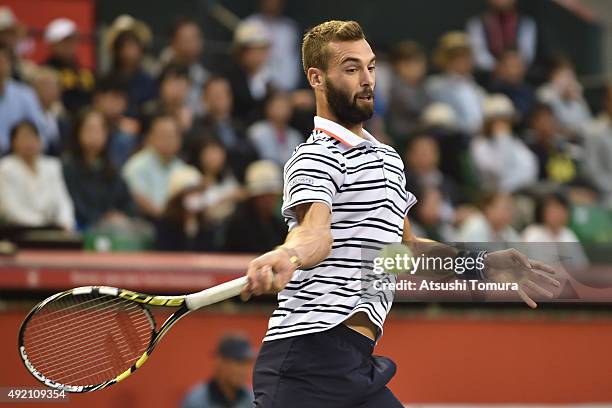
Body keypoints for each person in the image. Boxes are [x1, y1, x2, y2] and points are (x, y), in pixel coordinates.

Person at [242, 20, 558, 408]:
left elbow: (403, 253)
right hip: (305, 360)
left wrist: (482, 265)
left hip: (354, 363)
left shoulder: (387, 159)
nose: (367, 79)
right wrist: (289, 255)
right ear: (316, 78)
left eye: (371, 67)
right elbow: (314, 233)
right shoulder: (314, 157)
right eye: (351, 68)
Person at [62, 110, 135, 230]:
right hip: (83, 227)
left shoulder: (112, 168)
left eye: (99, 130)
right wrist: (101, 218)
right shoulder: (68, 167)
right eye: (89, 129)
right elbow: (74, 204)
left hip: (114, 227)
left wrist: (122, 216)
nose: (94, 135)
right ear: (78, 132)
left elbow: (127, 202)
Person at [0, 121, 74, 230]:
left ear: (39, 140)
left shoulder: (52, 166)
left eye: (32, 137)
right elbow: (8, 208)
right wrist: (41, 224)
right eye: (23, 138)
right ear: (13, 142)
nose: (29, 143)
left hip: (54, 228)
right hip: (20, 230)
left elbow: (63, 201)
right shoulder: (6, 167)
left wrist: (65, 222)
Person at [186, 75, 257, 182]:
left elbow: (252, 153)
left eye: (225, 93)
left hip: (242, 179)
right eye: (215, 94)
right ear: (204, 98)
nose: (221, 97)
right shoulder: (197, 127)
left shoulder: (240, 125)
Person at [122, 115, 186, 219]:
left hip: (175, 223)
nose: (167, 141)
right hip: (144, 221)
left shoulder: (182, 168)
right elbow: (138, 198)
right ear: (150, 137)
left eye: (171, 136)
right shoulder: (136, 165)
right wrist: (164, 216)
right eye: (163, 135)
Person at [470, 94, 538, 192]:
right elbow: (498, 171)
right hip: (493, 195)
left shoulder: (514, 141)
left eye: (505, 120)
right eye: (497, 121)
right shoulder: (479, 145)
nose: (502, 125)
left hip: (520, 192)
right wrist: (501, 138)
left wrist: (504, 138)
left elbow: (531, 166)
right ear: (488, 122)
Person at [426, 31, 486, 135]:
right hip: (456, 139)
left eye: (466, 56)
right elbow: (445, 119)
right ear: (445, 59)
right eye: (456, 57)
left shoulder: (477, 88)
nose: (463, 61)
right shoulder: (435, 86)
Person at [222, 160, 286, 253]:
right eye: (264, 196)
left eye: (271, 195)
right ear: (253, 197)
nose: (269, 200)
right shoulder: (237, 226)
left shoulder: (278, 226)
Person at [103, 15, 157, 119]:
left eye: (133, 45)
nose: (129, 51)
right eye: (124, 45)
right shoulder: (107, 80)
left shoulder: (148, 81)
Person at [181, 334, 255, 408]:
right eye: (239, 362)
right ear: (219, 361)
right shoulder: (196, 402)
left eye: (248, 363)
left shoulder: (253, 399)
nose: (245, 371)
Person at [155, 165, 217, 252]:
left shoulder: (207, 224)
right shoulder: (166, 223)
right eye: (190, 192)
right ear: (178, 197)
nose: (195, 195)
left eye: (198, 191)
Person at [521, 192, 589, 271]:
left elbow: (582, 265)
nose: (558, 213)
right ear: (542, 211)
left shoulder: (568, 234)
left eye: (562, 209)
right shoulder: (532, 234)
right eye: (553, 209)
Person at [245, 0, 301, 91]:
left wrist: (286, 93)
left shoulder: (289, 28)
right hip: (255, 92)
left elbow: (291, 64)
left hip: (285, 92)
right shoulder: (250, 24)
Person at [466, 0, 537, 72]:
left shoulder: (525, 22)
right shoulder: (477, 22)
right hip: (487, 74)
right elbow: (479, 54)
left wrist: (513, 65)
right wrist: (499, 68)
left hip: (519, 72)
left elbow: (526, 53)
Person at [223, 20, 273, 124]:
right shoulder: (229, 77)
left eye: (263, 49)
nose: (261, 55)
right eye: (256, 49)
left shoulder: (267, 77)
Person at [0, 43, 46, 154]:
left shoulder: (25, 94)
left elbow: (39, 129)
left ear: (9, 64)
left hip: (19, 155)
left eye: (2, 62)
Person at [43, 18, 94, 113]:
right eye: (65, 41)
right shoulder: (44, 72)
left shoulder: (83, 71)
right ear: (52, 44)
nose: (70, 45)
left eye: (73, 40)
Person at [189, 137, 243, 224]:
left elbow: (240, 194)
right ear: (200, 154)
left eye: (218, 152)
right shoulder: (192, 176)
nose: (215, 157)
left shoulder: (228, 175)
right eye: (210, 153)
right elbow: (196, 209)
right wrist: (225, 199)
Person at [159, 18, 208, 114]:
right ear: (173, 42)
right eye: (186, 39)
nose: (193, 43)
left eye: (196, 37)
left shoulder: (203, 75)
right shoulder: (161, 69)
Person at [536, 57, 592, 138]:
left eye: (571, 76)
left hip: (582, 136)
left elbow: (588, 121)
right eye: (564, 75)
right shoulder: (545, 93)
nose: (569, 80)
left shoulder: (576, 94)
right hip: (557, 139)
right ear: (553, 76)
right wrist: (562, 96)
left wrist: (578, 99)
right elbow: (552, 124)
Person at [91, 76, 139, 168]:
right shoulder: (86, 121)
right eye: (112, 97)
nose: (115, 104)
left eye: (120, 98)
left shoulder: (130, 131)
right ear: (98, 99)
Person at [387, 40, 431, 140]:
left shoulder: (421, 85)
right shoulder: (395, 85)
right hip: (400, 135)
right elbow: (414, 108)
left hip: (419, 132)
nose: (419, 68)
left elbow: (429, 103)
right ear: (400, 66)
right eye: (413, 64)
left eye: (421, 63)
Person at [247, 92, 303, 167]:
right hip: (265, 170)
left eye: (285, 107)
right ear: (268, 109)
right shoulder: (257, 131)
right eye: (278, 106)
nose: (282, 110)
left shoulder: (295, 135)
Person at [487, 48, 535, 123]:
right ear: (501, 68)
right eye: (511, 65)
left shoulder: (529, 91)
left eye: (517, 65)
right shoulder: (495, 91)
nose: (514, 71)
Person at [31, 67, 71, 156]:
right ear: (34, 88)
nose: (49, 90)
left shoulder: (62, 118)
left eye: (54, 86)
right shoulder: (28, 115)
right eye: (45, 85)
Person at [455, 191, 520, 243]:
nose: (509, 212)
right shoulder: (475, 226)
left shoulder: (507, 231)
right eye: (505, 208)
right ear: (488, 208)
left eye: (510, 208)